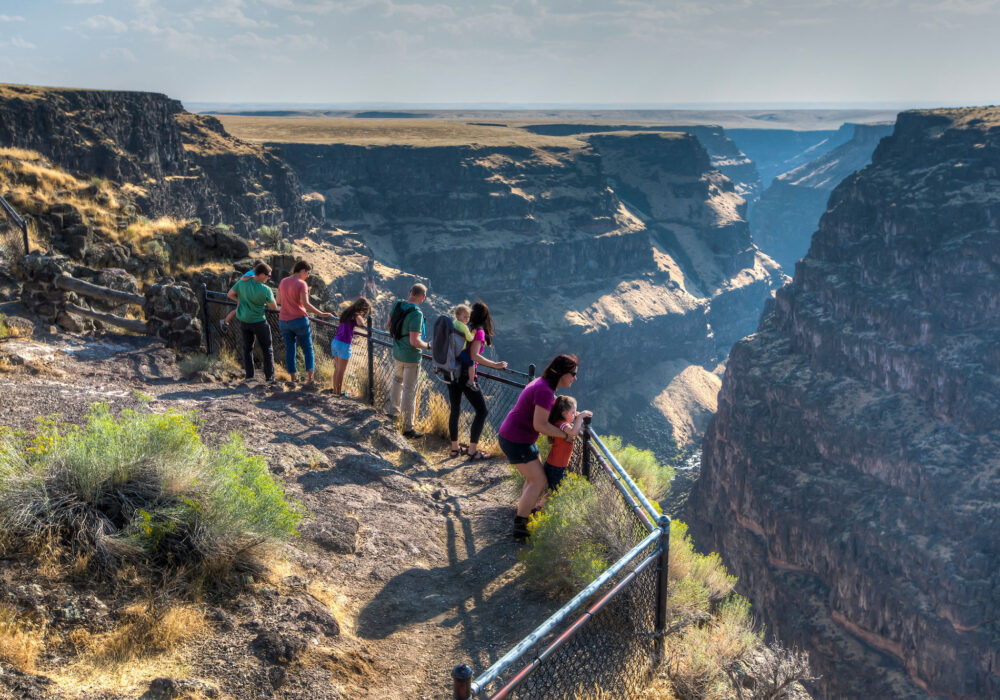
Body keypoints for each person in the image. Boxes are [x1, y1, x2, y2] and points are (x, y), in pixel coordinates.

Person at [498, 354, 580, 541]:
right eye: (573, 374)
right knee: (539, 481)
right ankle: (520, 527)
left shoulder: (543, 385)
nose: (575, 378)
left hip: (519, 437)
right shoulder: (544, 391)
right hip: (517, 439)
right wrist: (567, 435)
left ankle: (524, 516)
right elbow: (540, 425)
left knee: (534, 479)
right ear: (562, 373)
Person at [448, 301, 507, 460]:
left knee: (455, 409)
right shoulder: (478, 331)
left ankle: (454, 449)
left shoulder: (464, 327)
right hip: (466, 375)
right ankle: (472, 451)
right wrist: (495, 365)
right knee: (482, 411)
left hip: (452, 371)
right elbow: (474, 356)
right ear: (486, 317)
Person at [278, 260, 334, 385]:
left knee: (290, 349)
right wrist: (321, 314)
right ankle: (310, 379)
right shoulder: (301, 284)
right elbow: (306, 304)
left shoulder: (283, 281)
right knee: (308, 349)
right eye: (308, 273)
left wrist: (289, 303)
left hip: (283, 320)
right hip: (299, 320)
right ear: (302, 270)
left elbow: (278, 300)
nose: (308, 276)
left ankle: (293, 378)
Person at [386, 283, 431, 439]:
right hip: (411, 357)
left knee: (397, 381)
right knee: (409, 390)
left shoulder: (398, 305)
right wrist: (429, 346)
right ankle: (407, 428)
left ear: (410, 292)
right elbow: (415, 341)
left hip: (397, 352)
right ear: (423, 297)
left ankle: (392, 413)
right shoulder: (417, 314)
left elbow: (388, 326)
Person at [227, 262, 278, 382]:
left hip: (244, 321)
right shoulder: (266, 289)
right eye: (267, 275)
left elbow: (229, 294)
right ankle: (269, 377)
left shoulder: (241, 283)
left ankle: (249, 376)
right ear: (260, 274)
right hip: (259, 321)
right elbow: (274, 307)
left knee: (247, 348)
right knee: (267, 349)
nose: (269, 278)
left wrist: (240, 300)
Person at [541, 395, 591, 494]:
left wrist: (577, 415)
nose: (575, 415)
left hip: (556, 464)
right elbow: (573, 432)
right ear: (564, 413)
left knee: (553, 490)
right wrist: (580, 417)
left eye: (575, 412)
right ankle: (541, 507)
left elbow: (572, 419)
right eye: (573, 413)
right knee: (556, 492)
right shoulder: (562, 424)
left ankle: (538, 507)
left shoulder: (563, 421)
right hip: (556, 466)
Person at [331, 297, 372, 396]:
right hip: (344, 344)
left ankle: (335, 390)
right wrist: (361, 316)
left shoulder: (347, 313)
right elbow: (360, 323)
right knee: (341, 370)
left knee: (337, 368)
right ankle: (338, 393)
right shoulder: (356, 314)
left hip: (336, 341)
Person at [452, 304, 477, 389]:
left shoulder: (454, 323)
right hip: (460, 351)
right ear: (458, 316)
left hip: (452, 350)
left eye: (468, 317)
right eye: (465, 317)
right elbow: (470, 339)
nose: (467, 319)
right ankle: (471, 381)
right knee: (472, 361)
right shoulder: (464, 327)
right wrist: (473, 333)